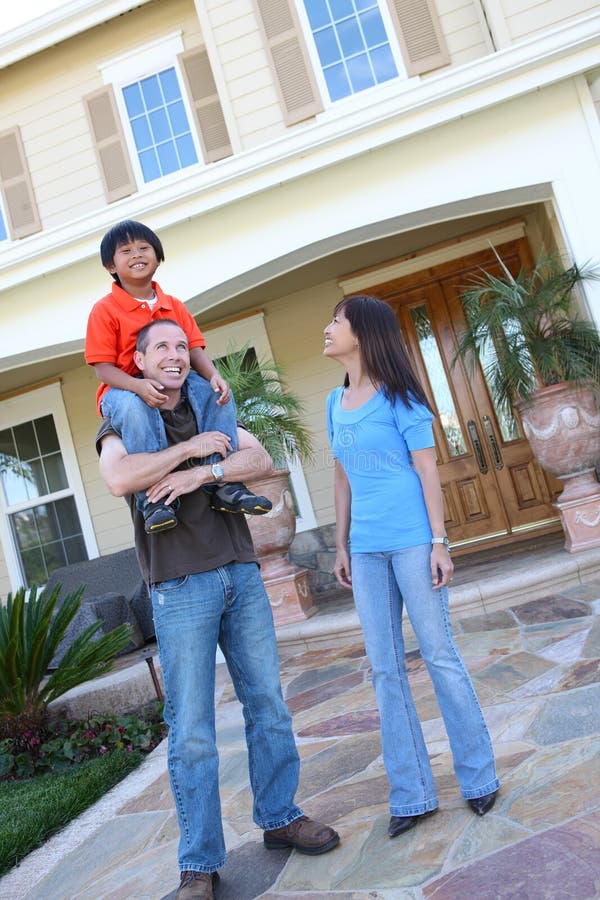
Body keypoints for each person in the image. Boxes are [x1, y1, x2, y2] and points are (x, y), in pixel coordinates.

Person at [97, 319, 340, 899]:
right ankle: (199, 863)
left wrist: (205, 471)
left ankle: (280, 817)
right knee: (193, 731)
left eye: (182, 346)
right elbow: (118, 477)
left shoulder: (211, 407)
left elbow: (257, 460)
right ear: (139, 360)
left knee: (268, 705)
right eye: (161, 348)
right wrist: (185, 456)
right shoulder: (122, 419)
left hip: (239, 572)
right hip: (179, 588)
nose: (174, 356)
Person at [323, 294, 499, 840]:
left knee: (440, 656)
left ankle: (479, 777)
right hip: (368, 551)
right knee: (384, 669)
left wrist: (440, 543)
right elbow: (342, 476)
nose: (327, 330)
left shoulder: (401, 398)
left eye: (336, 321)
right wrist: (342, 544)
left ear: (363, 333)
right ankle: (413, 794)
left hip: (412, 545)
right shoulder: (334, 402)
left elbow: (427, 473)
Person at [86, 219, 271, 535]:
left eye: (144, 248)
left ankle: (223, 485)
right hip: (122, 386)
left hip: (174, 381)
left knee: (214, 392)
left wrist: (214, 376)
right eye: (126, 251)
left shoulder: (174, 305)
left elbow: (195, 350)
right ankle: (153, 500)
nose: (137, 255)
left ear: (157, 256)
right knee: (133, 407)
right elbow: (102, 368)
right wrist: (137, 385)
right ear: (110, 266)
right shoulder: (105, 310)